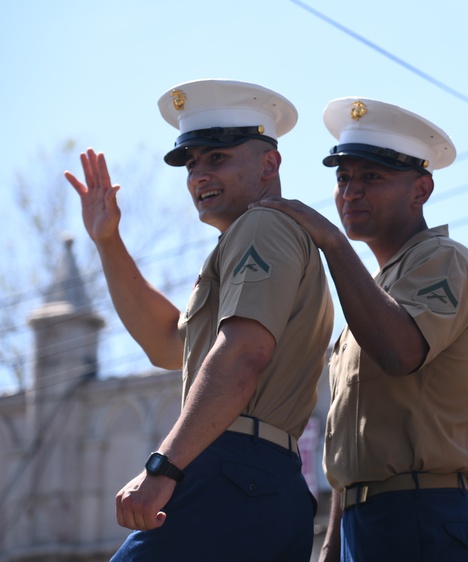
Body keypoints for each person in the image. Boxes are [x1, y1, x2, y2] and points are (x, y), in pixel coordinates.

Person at [64, 79, 335, 561]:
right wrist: (108, 240)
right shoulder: (251, 239)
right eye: (191, 164)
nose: (198, 176)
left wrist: (163, 468)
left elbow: (242, 355)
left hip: (233, 469)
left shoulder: (262, 226)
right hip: (259, 479)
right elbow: (168, 344)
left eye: (217, 158)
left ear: (269, 164)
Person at [257, 97, 468, 562]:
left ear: (421, 190)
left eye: (372, 177)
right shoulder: (376, 288)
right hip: (365, 523)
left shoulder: (445, 261)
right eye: (343, 177)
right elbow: (356, 448)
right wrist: (332, 543)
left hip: (419, 513)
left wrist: (330, 241)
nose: (350, 192)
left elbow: (400, 351)